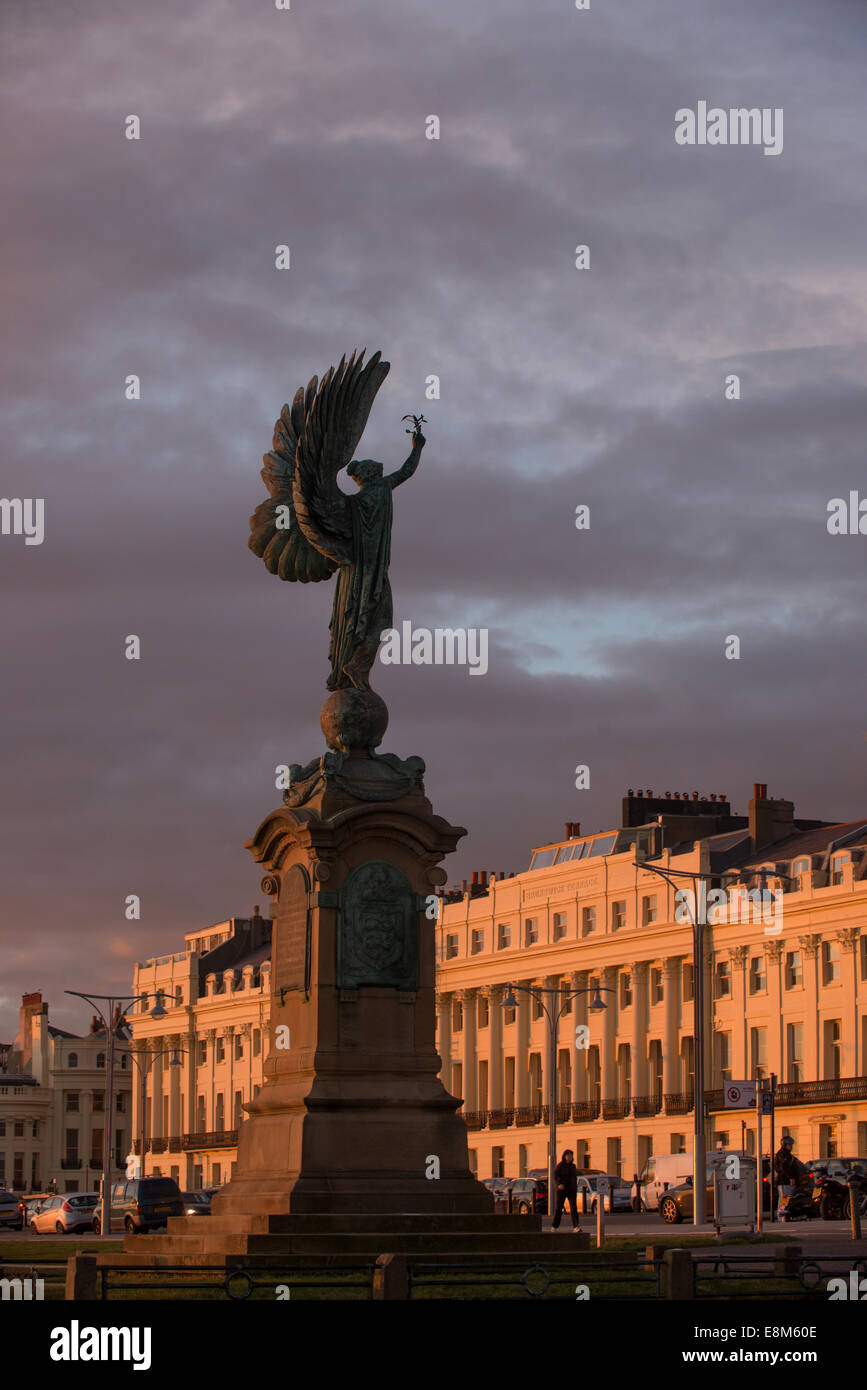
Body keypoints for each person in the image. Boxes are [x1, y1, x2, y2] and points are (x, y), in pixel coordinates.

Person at [774, 1135, 808, 1217]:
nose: (791, 1147)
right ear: (784, 1145)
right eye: (789, 1145)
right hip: (784, 1180)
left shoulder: (787, 1154)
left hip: (787, 1180)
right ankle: (781, 1213)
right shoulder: (782, 1154)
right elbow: (784, 1168)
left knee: (786, 1197)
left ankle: (784, 1213)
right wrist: (791, 1177)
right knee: (784, 1197)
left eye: (791, 1145)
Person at [552, 1148, 580, 1230]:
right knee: (559, 1208)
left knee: (573, 1208)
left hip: (571, 1190)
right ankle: (554, 1226)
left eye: (571, 1155)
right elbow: (555, 1176)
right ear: (564, 1156)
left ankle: (576, 1226)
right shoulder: (560, 1166)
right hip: (562, 1190)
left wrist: (575, 1187)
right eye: (568, 1155)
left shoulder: (573, 1166)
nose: (570, 1157)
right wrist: (559, 1184)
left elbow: (574, 1178)